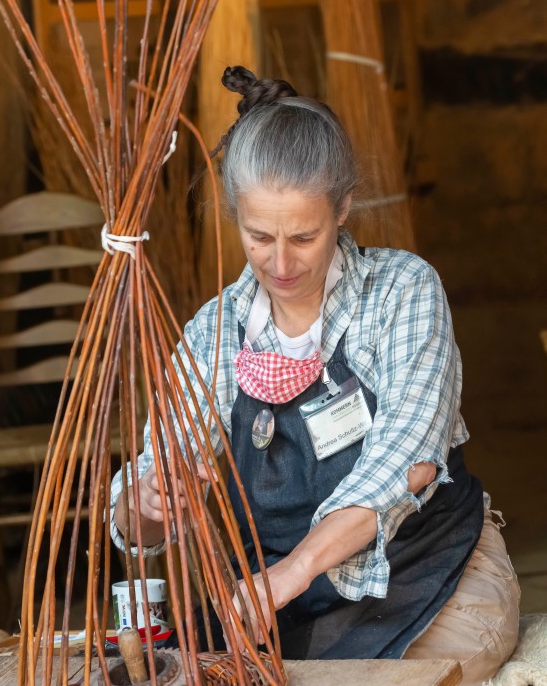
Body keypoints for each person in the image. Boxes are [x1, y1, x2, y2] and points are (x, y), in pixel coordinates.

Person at [109, 66, 520, 685]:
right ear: (235, 216)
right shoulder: (215, 333)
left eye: (303, 236)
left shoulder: (401, 292)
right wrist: (144, 500)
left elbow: (407, 460)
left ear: (343, 207)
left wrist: (293, 570)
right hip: (280, 604)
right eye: (258, 236)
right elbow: (148, 483)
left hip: (428, 569)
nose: (280, 262)